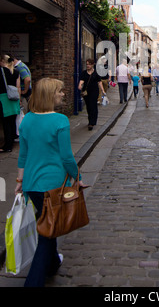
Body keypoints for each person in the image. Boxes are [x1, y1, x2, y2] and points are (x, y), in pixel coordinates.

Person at [15, 78, 87, 287]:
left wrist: (19, 179)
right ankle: (33, 282)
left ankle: (53, 263)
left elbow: (23, 155)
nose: (63, 94)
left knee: (47, 222)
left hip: (31, 184)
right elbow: (66, 157)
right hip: (53, 185)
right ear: (49, 95)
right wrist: (78, 178)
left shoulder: (27, 119)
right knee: (46, 235)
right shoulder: (60, 121)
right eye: (59, 91)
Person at [0, 54, 20, 153]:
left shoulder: (2, 71)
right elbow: (18, 87)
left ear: (2, 61)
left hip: (4, 99)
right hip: (14, 99)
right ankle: (11, 141)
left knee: (6, 123)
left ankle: (7, 146)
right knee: (12, 122)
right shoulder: (16, 72)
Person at [78, 58, 105, 130]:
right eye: (87, 64)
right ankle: (90, 119)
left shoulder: (96, 73)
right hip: (86, 92)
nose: (88, 66)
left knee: (93, 105)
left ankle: (92, 122)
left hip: (94, 91)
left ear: (92, 65)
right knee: (88, 106)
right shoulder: (84, 73)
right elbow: (82, 80)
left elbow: (99, 82)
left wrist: (103, 90)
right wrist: (80, 85)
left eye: (89, 64)